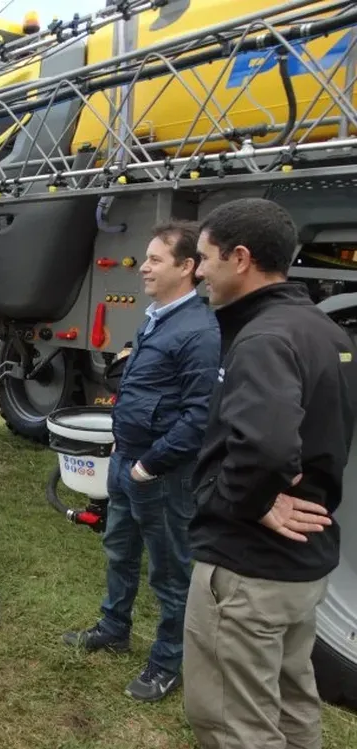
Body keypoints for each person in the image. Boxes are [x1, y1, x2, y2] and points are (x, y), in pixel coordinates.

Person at [184, 198, 355, 748]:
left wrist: (254, 501)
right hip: (301, 568)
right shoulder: (323, 330)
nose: (199, 271)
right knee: (291, 701)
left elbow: (268, 446)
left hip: (248, 570)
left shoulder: (262, 338)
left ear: (240, 258)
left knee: (236, 720)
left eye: (204, 258)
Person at [63, 221, 221, 703]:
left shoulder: (199, 330)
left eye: (155, 260)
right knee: (119, 549)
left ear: (187, 267)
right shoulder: (157, 316)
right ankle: (113, 627)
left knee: (170, 572)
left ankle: (167, 661)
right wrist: (122, 443)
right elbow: (141, 390)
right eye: (146, 258)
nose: (144, 267)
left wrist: (150, 463)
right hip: (127, 459)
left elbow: (199, 416)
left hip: (161, 475)